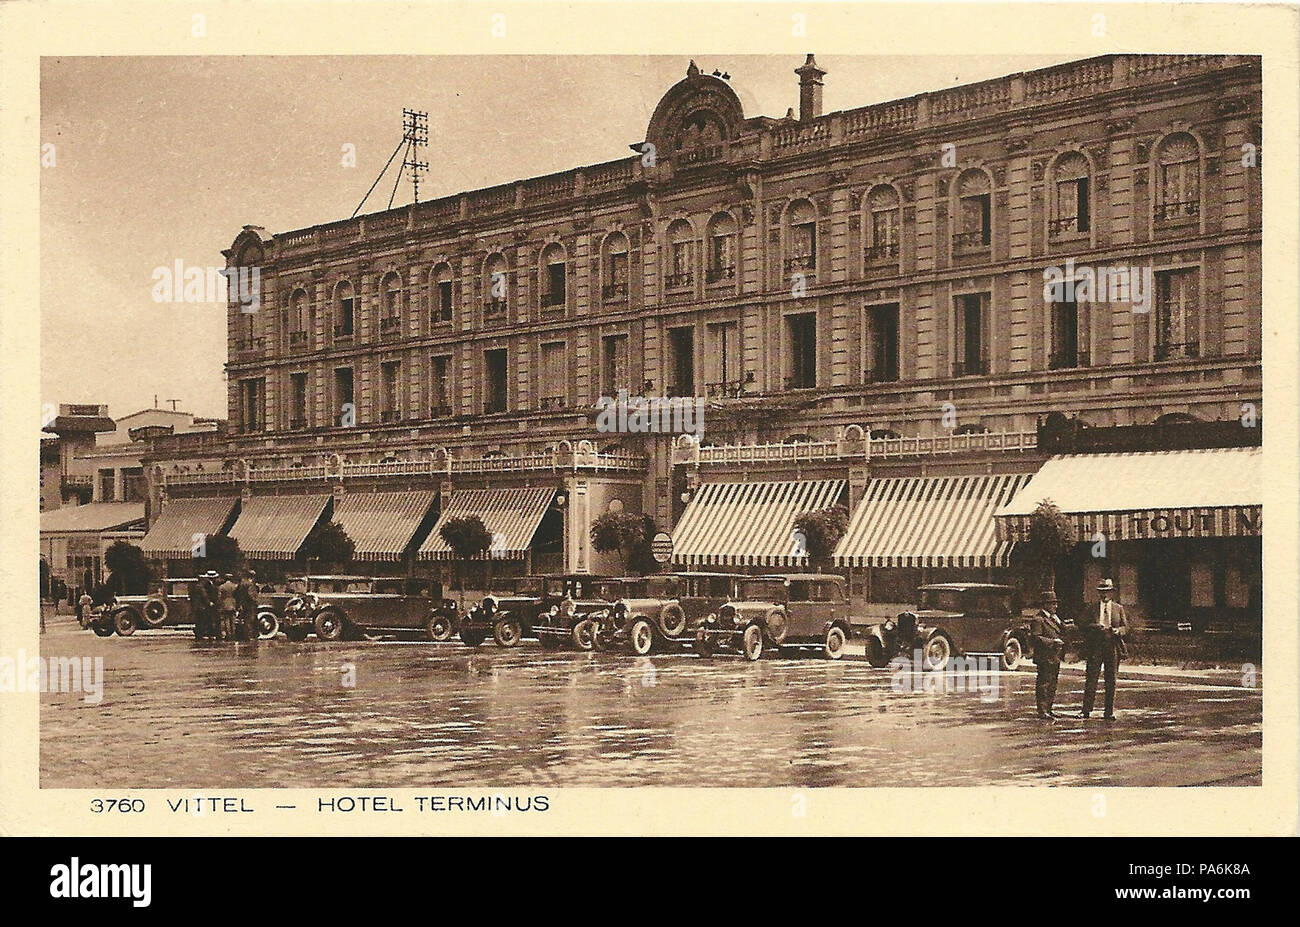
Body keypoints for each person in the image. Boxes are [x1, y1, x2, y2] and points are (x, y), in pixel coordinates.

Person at [1081, 577, 1128, 720]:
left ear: (1111, 593)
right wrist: (1095, 627)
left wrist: (1119, 631)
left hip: (1112, 646)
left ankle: (1109, 711)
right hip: (1095, 647)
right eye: (1102, 591)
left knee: (1111, 679)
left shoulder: (1118, 608)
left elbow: (1126, 627)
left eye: (1107, 591)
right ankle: (1086, 710)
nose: (1104, 594)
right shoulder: (1092, 608)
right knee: (1091, 678)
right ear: (1098, 593)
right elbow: (1082, 625)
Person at [1026, 590, 1066, 719]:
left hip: (1055, 656)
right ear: (1045, 605)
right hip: (1044, 656)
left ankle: (1049, 708)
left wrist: (1061, 624)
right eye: (1052, 604)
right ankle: (1042, 710)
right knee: (1044, 683)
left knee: (1053, 683)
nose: (1055, 606)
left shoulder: (1054, 619)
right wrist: (1052, 642)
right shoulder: (1038, 619)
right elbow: (1035, 638)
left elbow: (1062, 631)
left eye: (1055, 603)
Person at [235, 569, 260, 640]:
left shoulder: (242, 583)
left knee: (245, 620)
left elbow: (236, 593)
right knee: (250, 620)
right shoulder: (250, 584)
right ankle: (249, 635)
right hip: (250, 605)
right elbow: (251, 595)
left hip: (243, 604)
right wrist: (255, 602)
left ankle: (245, 635)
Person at [189, 573, 214, 639]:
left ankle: (198, 634)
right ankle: (201, 633)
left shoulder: (194, 586)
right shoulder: (201, 588)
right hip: (202, 607)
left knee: (198, 621)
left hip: (196, 607)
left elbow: (191, 596)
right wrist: (209, 603)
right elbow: (204, 596)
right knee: (202, 620)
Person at [217, 573, 239, 641]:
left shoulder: (221, 587)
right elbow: (237, 596)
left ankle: (228, 634)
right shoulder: (235, 586)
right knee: (233, 620)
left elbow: (219, 597)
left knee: (226, 620)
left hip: (225, 604)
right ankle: (233, 634)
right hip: (233, 603)